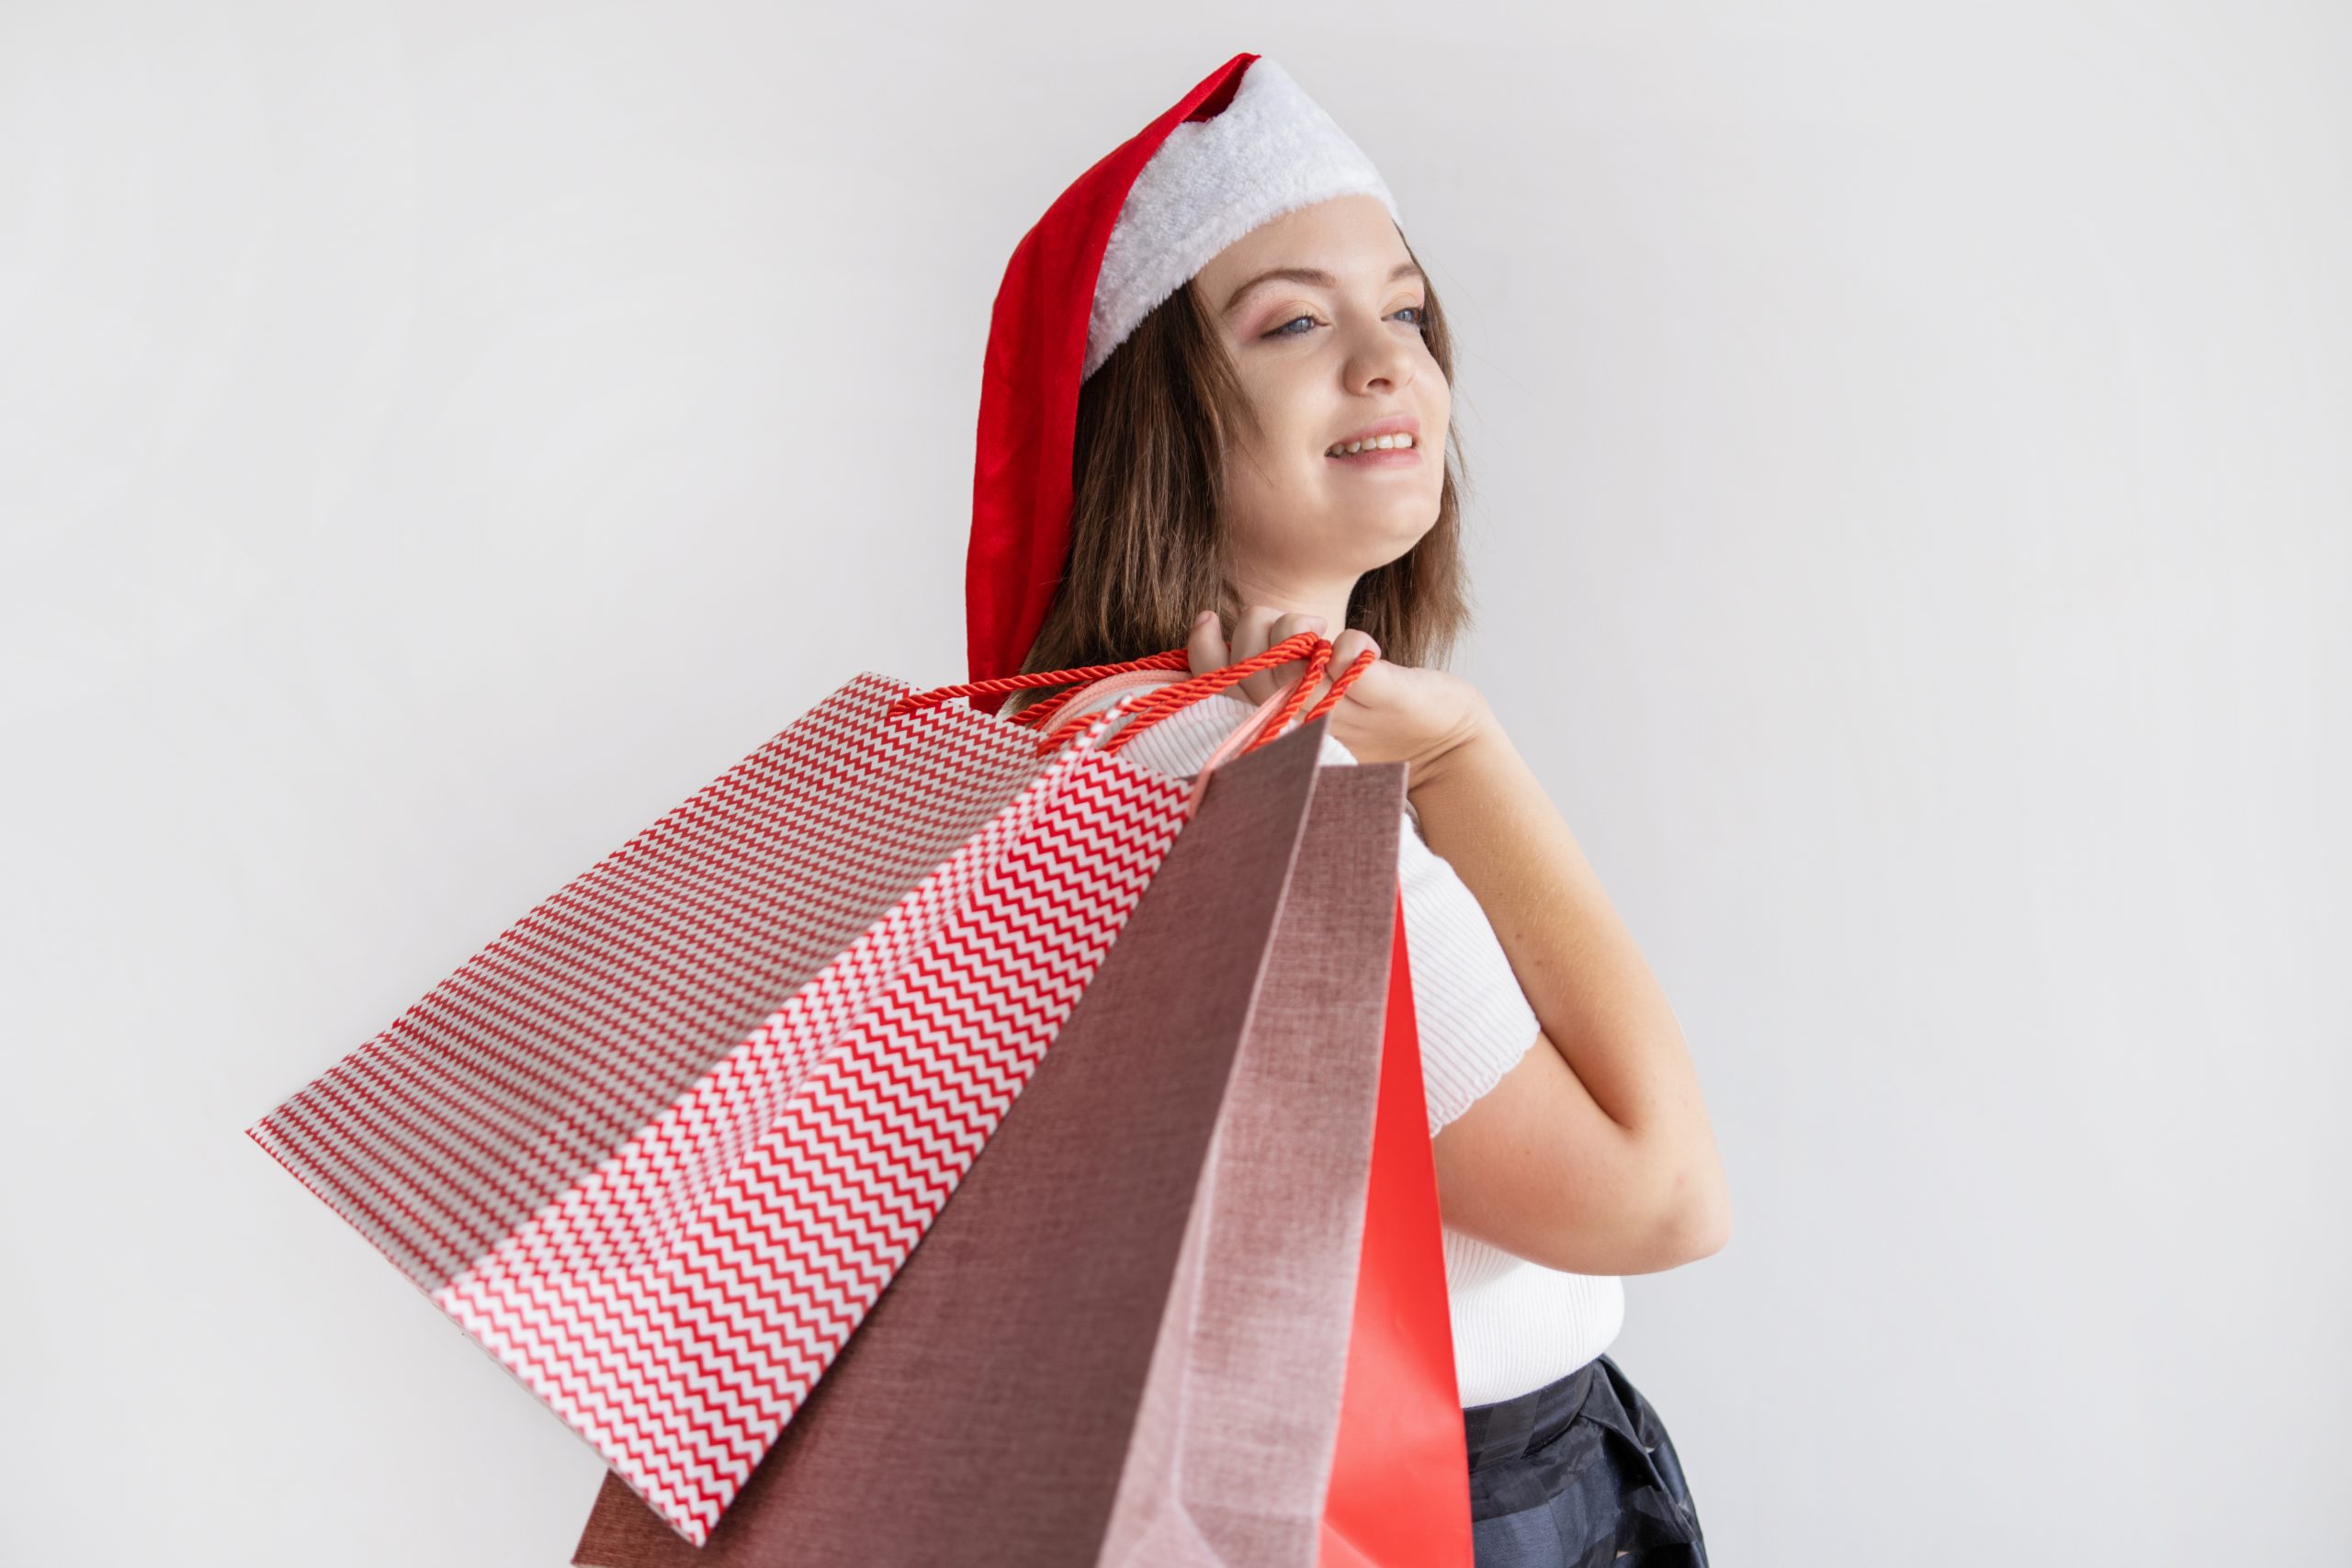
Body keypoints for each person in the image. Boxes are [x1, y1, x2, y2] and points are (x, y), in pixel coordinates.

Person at [963, 52, 1730, 1566]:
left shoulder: (1087, 738)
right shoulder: (1255, 788)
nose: (1389, 363)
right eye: (1294, 321)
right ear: (1156, 417)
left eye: (1406, 309)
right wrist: (1466, 763)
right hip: (1448, 1508)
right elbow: (1662, 1194)